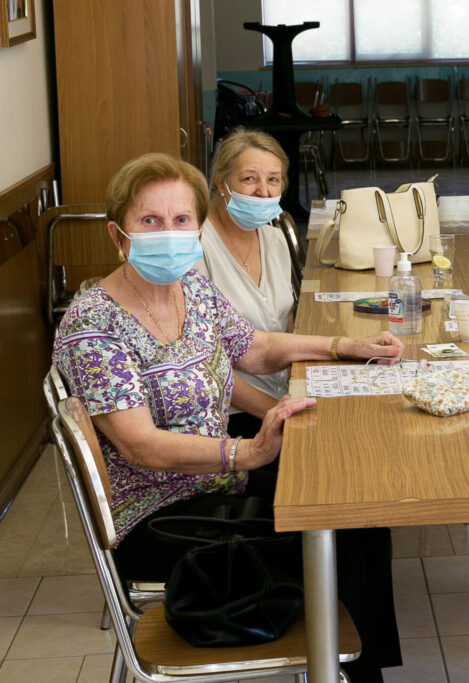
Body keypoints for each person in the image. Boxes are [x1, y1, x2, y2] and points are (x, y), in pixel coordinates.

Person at [52, 153, 404, 682]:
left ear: (198, 227)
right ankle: (349, 667)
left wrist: (346, 344)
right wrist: (248, 451)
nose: (167, 233)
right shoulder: (93, 325)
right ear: (117, 234)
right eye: (150, 221)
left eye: (180, 220)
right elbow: (141, 446)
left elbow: (257, 349)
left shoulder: (191, 287)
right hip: (157, 517)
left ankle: (360, 663)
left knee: (359, 505)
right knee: (337, 534)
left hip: (212, 484)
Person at [195, 128, 295, 439]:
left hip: (282, 393)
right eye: (250, 179)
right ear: (220, 183)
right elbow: (204, 364)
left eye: (273, 180)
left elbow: (286, 320)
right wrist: (277, 412)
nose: (264, 192)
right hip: (230, 414)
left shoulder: (274, 238)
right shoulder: (197, 246)